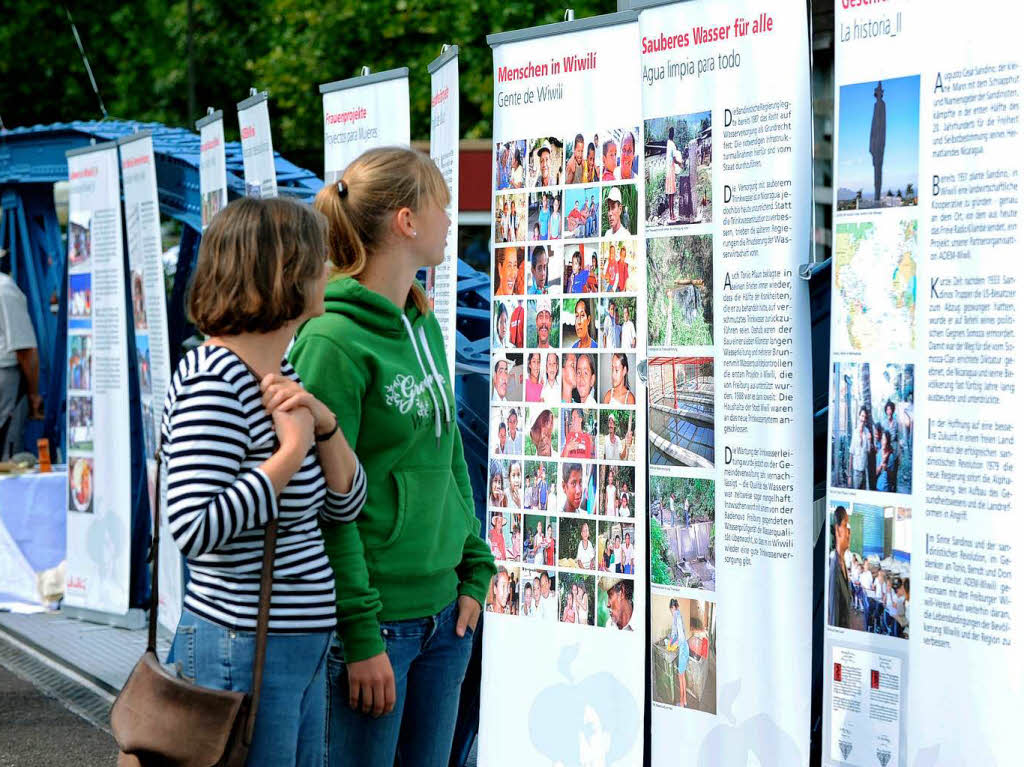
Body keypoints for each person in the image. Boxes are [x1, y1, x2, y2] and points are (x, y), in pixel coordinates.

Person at [292, 148, 497, 765]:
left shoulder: (424, 324)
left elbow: (448, 453)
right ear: (407, 222)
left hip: (446, 617)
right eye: (440, 202)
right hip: (376, 626)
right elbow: (326, 500)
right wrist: (358, 632)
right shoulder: (330, 339)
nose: (450, 216)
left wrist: (475, 570)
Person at [163, 198, 368, 765]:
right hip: (243, 646)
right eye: (316, 259)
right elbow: (194, 525)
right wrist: (291, 452)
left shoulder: (280, 374)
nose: (327, 270)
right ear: (281, 274)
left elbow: (347, 504)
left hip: (289, 647)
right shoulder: (216, 380)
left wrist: (325, 428)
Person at [0, 267, 42, 459]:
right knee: (8, 456)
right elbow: (25, 349)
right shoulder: (5, 288)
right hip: (6, 378)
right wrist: (34, 395)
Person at [829, 507, 852, 630]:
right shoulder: (834, 569)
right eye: (845, 525)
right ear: (837, 530)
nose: (849, 532)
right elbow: (834, 621)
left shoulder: (842, 563)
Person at [669, 599, 690, 706]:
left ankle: (681, 703)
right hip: (686, 647)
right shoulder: (680, 614)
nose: (671, 613)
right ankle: (685, 700)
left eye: (671, 610)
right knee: (683, 675)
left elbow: (675, 635)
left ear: (672, 608)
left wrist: (671, 642)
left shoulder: (675, 616)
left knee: (680, 676)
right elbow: (681, 634)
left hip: (682, 650)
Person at [849, 406, 872, 490]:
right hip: (856, 471)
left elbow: (868, 452)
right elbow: (851, 453)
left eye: (865, 417)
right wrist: (849, 475)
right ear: (859, 416)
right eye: (862, 416)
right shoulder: (855, 432)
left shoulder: (867, 432)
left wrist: (869, 440)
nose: (863, 419)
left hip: (864, 470)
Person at [665, 126, 683, 223]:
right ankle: (672, 215)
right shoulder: (672, 144)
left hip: (668, 170)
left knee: (670, 194)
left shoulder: (668, 143)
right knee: (672, 194)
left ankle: (671, 214)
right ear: (673, 134)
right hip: (671, 170)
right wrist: (680, 163)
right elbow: (675, 159)